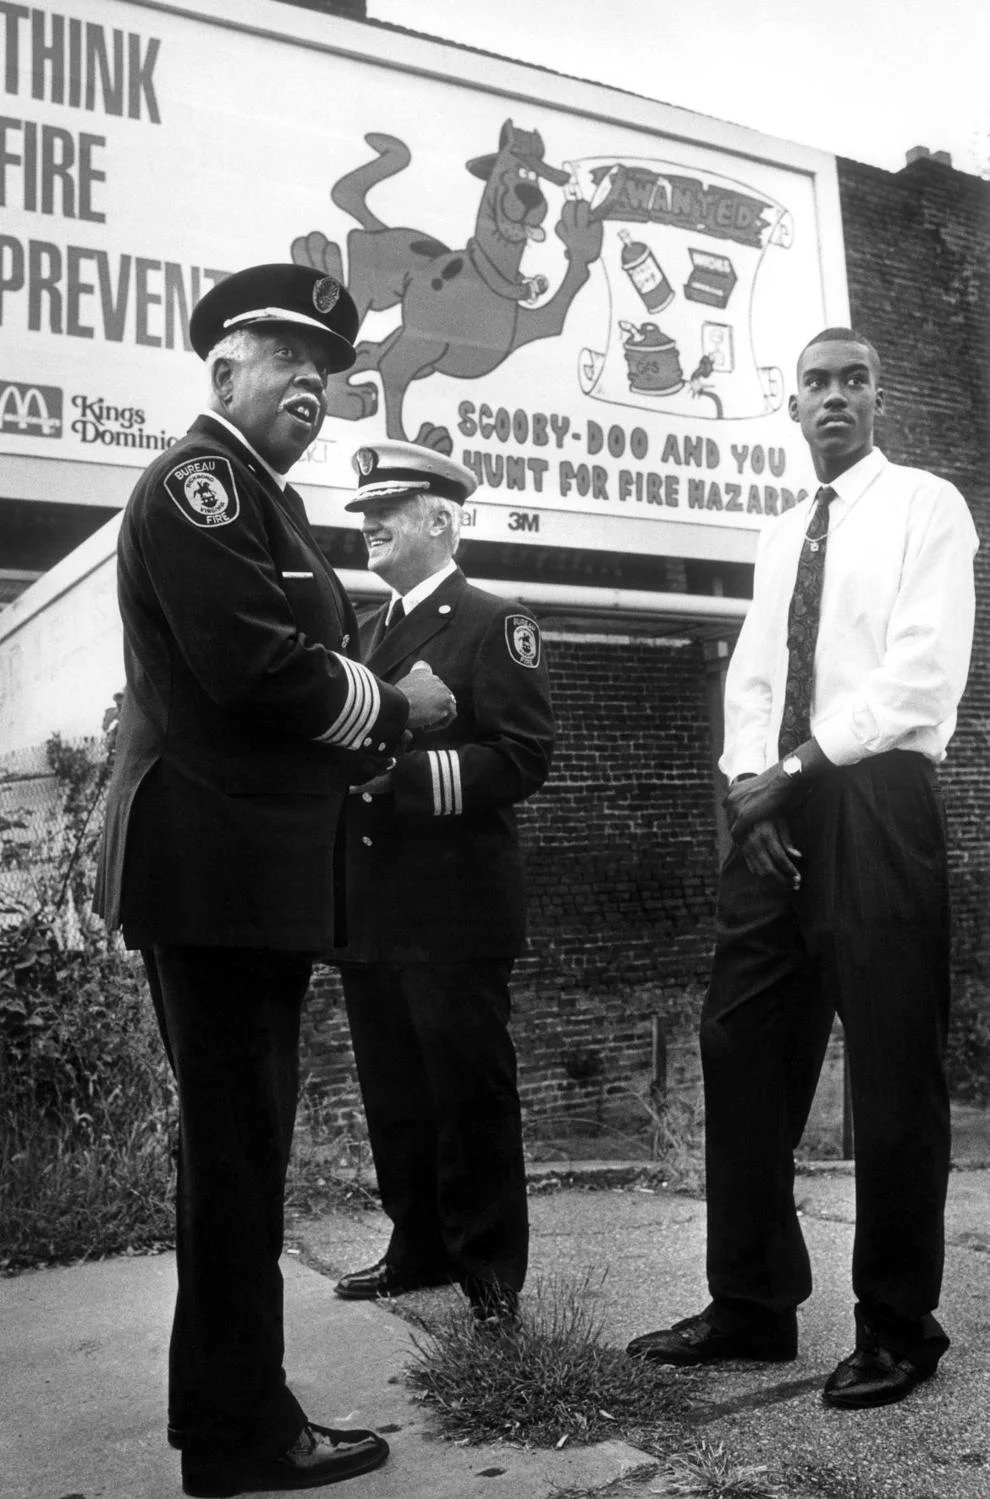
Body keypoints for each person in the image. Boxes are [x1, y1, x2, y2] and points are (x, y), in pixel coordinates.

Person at [93, 265, 456, 1497]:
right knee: (236, 1154)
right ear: (222, 376)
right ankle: (244, 1435)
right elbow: (259, 665)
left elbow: (304, 648)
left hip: (243, 870)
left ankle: (236, 1413)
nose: (313, 382)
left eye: (328, 367)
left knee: (239, 1152)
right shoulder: (201, 487)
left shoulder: (267, 502)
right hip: (213, 868)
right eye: (285, 357)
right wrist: (394, 704)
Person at [626, 328, 978, 1410]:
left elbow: (921, 669)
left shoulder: (927, 504)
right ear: (794, 408)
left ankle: (899, 1326)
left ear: (880, 395)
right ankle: (752, 1300)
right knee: (738, 1040)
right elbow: (754, 671)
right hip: (775, 809)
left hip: (872, 796)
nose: (835, 397)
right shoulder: (780, 531)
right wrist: (750, 791)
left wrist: (795, 766)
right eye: (816, 383)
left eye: (854, 380)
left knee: (888, 1062)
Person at [328, 440, 555, 1326]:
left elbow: (524, 756)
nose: (370, 526)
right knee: (394, 1092)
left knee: (469, 1093)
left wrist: (408, 777)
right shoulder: (365, 631)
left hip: (455, 908)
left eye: (387, 512)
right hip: (375, 907)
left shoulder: (495, 620)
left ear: (440, 520)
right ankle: (415, 1244)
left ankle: (490, 1273)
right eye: (365, 512)